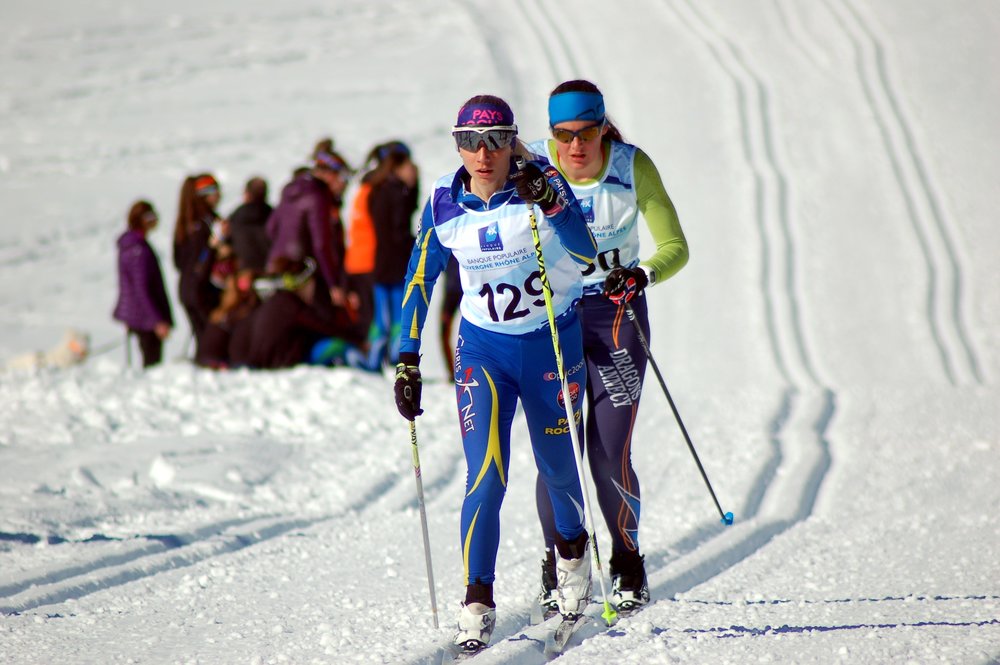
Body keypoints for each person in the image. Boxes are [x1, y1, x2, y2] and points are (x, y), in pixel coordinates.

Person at [392, 94, 599, 654]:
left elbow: (586, 253)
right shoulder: (443, 200)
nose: (482, 155)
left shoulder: (541, 180)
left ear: (512, 142)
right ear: (457, 145)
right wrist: (407, 357)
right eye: (469, 142)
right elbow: (419, 279)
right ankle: (477, 601)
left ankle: (572, 557)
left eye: (495, 141)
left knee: (558, 469)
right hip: (484, 350)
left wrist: (552, 204)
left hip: (550, 342)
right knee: (486, 475)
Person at [527, 80, 689, 617]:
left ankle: (627, 561)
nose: (575, 146)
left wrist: (641, 275)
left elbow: (675, 247)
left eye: (586, 133)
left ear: (603, 127)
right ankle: (558, 563)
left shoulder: (631, 166)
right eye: (563, 134)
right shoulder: (534, 168)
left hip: (616, 317)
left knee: (608, 452)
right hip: (556, 320)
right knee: (557, 452)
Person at [266, 146, 354, 319]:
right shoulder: (318, 196)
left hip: (279, 267)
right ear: (329, 175)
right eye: (343, 177)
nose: (344, 184)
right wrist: (333, 284)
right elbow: (321, 244)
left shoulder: (291, 190)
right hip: (306, 273)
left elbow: (271, 228)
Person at [368, 140, 419, 366]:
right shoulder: (397, 192)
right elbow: (400, 228)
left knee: (381, 318)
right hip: (397, 263)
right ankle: (395, 360)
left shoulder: (376, 189)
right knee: (400, 318)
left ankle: (374, 361)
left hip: (380, 261)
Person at [113, 200, 174, 367]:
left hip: (139, 314)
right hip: (144, 317)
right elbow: (142, 289)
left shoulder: (134, 245)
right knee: (152, 365)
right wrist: (157, 321)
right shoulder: (137, 250)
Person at [172, 173, 223, 345]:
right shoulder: (206, 224)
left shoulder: (184, 223)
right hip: (203, 289)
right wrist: (214, 248)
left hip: (187, 288)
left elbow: (178, 261)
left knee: (203, 338)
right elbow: (200, 261)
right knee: (211, 340)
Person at [227, 176, 272, 273]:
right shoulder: (273, 215)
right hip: (269, 268)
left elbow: (227, 241)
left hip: (244, 270)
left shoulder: (236, 215)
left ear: (247, 194)